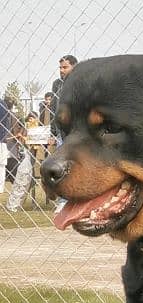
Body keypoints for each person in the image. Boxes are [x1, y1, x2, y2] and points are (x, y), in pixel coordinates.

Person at [50, 55, 78, 212]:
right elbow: (54, 108)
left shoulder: (81, 83)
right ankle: (63, 200)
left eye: (65, 67)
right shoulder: (57, 84)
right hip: (62, 134)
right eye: (60, 67)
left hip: (77, 133)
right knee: (60, 166)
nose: (61, 70)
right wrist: (52, 132)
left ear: (74, 66)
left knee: (77, 165)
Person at [5, 111, 40, 212]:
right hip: (27, 155)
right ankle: (13, 205)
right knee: (22, 178)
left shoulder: (36, 129)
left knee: (25, 178)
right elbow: (27, 142)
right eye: (29, 119)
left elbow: (34, 143)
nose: (30, 121)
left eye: (32, 119)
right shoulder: (27, 129)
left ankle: (14, 205)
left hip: (33, 156)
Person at [0, 95, 11, 194]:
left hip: (1, 139)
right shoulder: (3, 104)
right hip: (2, 139)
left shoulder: (1, 105)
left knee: (1, 166)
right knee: (1, 166)